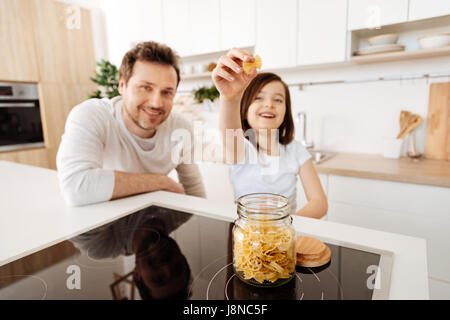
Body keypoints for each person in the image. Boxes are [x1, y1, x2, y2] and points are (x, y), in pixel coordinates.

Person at [57, 41, 205, 206]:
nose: (156, 103)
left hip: (154, 222)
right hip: (104, 222)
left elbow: (193, 187)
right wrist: (161, 182)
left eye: (166, 92)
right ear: (122, 85)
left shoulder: (180, 128)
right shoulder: (92, 115)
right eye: (145, 87)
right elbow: (75, 187)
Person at [212, 48, 327, 218]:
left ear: (286, 112)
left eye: (278, 99)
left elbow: (319, 203)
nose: (269, 104)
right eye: (259, 98)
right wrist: (230, 99)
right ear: (244, 110)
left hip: (284, 234)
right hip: (246, 235)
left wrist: (283, 226)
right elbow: (229, 132)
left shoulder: (295, 150)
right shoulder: (241, 148)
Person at [70, 206, 192, 299]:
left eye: (158, 279)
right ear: (183, 257)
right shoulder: (183, 211)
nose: (165, 267)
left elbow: (74, 207)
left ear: (137, 275)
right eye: (177, 269)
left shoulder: (100, 247)